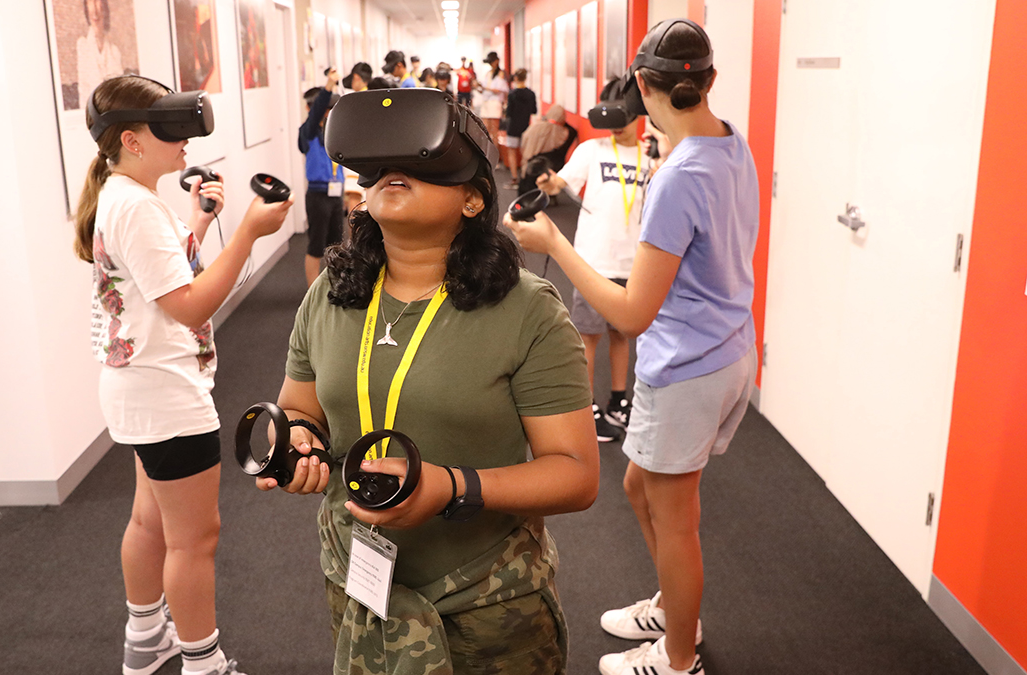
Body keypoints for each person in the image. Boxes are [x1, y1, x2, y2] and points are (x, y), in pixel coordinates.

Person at [258, 96, 600, 674]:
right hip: (360, 579)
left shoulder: (527, 310)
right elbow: (300, 410)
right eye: (379, 169)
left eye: (418, 166)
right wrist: (298, 443)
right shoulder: (331, 294)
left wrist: (452, 487)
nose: (394, 173)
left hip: (487, 600)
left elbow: (576, 474)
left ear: (472, 198)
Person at [505, 20, 758, 675]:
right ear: (707, 82)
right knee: (639, 486)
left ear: (645, 85)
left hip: (688, 366)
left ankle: (679, 655)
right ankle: (675, 606)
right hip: (729, 350)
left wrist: (555, 245)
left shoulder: (678, 177)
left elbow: (631, 311)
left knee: (675, 519)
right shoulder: (732, 143)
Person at [75, 75, 292, 675]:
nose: (184, 141)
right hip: (166, 394)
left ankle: (146, 640)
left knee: (150, 519)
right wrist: (247, 232)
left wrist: (197, 223)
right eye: (168, 129)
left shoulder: (126, 196)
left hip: (140, 389)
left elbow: (160, 281)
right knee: (195, 538)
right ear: (131, 140)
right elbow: (190, 305)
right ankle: (204, 663)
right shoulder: (136, 207)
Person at [534, 76, 649, 443]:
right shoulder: (592, 149)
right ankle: (587, 408)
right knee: (587, 336)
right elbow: (561, 184)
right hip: (593, 262)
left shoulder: (650, 158)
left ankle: (619, 400)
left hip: (633, 264)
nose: (619, 124)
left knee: (622, 335)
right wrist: (548, 182)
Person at [299, 69, 347, 287]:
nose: (327, 113)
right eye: (324, 108)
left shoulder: (331, 132)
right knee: (316, 246)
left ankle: (334, 286)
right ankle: (312, 292)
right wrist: (329, 85)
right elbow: (317, 111)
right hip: (318, 195)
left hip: (335, 194)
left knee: (336, 245)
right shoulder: (307, 132)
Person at [518, 104, 578, 197]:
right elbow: (573, 131)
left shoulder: (535, 127)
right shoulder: (564, 133)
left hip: (531, 165)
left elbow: (524, 142)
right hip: (552, 167)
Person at [75, 0, 124, 110]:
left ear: (105, 12)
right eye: (91, 11)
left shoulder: (114, 50)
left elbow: (119, 89)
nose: (95, 15)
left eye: (99, 10)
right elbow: (84, 90)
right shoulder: (82, 45)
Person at [502, 68, 537, 188]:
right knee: (525, 153)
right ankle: (524, 177)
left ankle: (514, 178)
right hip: (525, 126)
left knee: (511, 153)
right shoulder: (531, 94)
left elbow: (509, 113)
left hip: (513, 127)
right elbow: (534, 110)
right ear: (526, 78)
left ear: (516, 78)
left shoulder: (512, 94)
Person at [475, 52, 509, 141]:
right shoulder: (488, 73)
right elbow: (484, 90)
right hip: (486, 102)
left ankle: (494, 152)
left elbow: (499, 90)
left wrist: (485, 88)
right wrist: (477, 87)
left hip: (495, 102)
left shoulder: (501, 74)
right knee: (485, 129)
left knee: (494, 131)